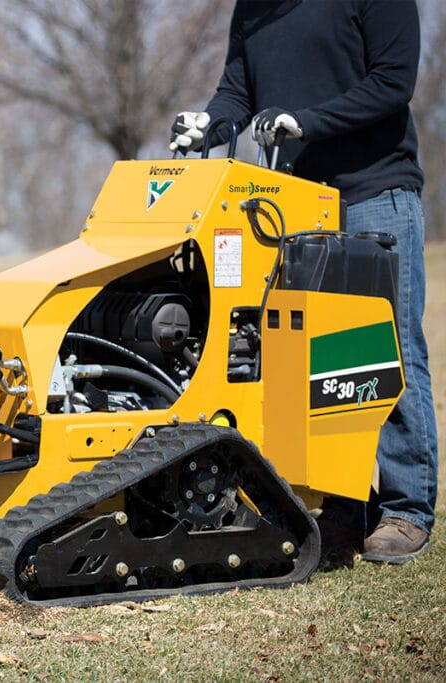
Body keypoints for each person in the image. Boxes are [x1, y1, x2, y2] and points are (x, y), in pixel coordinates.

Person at [170, 0, 438, 564]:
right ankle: (344, 506)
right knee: (320, 359)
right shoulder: (255, 8)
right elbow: (237, 93)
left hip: (373, 192)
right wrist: (210, 124)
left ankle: (406, 509)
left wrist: (308, 121)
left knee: (387, 350)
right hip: (297, 205)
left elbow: (393, 82)